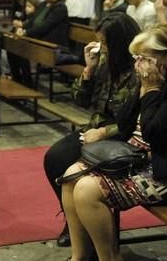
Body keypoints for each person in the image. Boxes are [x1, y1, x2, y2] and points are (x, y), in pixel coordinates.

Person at [52, 24, 167, 261]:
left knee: (86, 190)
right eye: (136, 58)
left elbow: (156, 134)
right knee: (71, 175)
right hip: (143, 158)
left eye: (144, 58)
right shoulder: (156, 76)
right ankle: (82, 256)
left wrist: (151, 91)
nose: (139, 64)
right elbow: (126, 124)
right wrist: (143, 88)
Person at [43, 13, 141, 248]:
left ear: (120, 44)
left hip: (122, 136)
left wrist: (105, 132)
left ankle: (86, 224)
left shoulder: (138, 72)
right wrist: (88, 69)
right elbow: (80, 100)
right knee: (55, 158)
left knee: (75, 166)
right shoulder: (105, 65)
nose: (102, 48)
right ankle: (73, 219)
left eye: (106, 43)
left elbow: (137, 119)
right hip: (94, 130)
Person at [8, 0, 70, 85]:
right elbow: (32, 21)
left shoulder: (60, 8)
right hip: (41, 40)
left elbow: (44, 27)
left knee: (21, 47)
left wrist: (25, 33)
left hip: (53, 46)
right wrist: (22, 28)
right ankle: (17, 80)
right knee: (11, 45)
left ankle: (27, 83)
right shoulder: (43, 4)